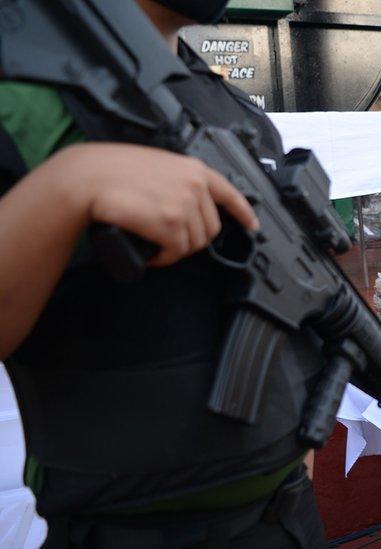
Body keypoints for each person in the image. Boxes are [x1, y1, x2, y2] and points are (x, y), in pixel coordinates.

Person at [0, 1, 329, 547]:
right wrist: (68, 187)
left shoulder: (234, 109)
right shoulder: (23, 90)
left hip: (287, 519)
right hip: (129, 531)